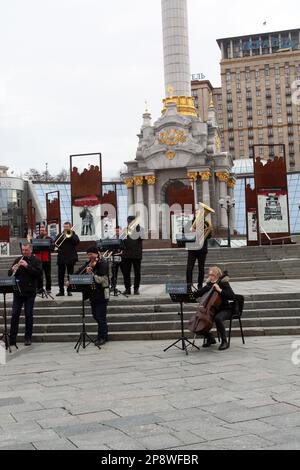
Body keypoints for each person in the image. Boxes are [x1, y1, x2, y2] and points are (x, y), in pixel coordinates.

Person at [8, 242, 42, 346]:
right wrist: (12, 269)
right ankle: (12, 338)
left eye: (26, 250)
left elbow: (39, 274)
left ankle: (28, 338)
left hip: (30, 292)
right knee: (14, 315)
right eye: (23, 250)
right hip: (18, 292)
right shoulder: (18, 259)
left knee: (28, 315)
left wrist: (27, 266)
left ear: (31, 250)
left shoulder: (36, 260)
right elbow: (9, 274)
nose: (24, 252)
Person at [195, 266, 236, 351]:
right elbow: (198, 293)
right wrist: (186, 297)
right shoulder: (209, 285)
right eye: (209, 275)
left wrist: (219, 290)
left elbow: (232, 296)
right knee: (201, 319)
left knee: (218, 318)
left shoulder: (223, 283)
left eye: (212, 275)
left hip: (226, 309)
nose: (210, 277)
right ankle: (210, 338)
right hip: (213, 310)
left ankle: (224, 341)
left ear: (217, 275)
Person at [76, 247, 110, 346]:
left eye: (91, 254)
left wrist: (91, 274)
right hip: (93, 294)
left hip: (102, 293)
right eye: (88, 254)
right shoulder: (88, 264)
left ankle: (102, 337)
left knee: (100, 316)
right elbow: (79, 271)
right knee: (95, 315)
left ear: (96, 254)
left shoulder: (103, 264)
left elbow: (102, 280)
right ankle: (104, 333)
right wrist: (71, 279)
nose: (90, 256)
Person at [186, 208, 212, 290]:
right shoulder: (190, 223)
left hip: (202, 249)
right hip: (192, 249)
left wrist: (209, 231)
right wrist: (191, 230)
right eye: (197, 213)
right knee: (189, 268)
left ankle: (200, 285)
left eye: (201, 213)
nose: (199, 214)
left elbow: (209, 236)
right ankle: (189, 285)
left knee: (201, 268)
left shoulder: (206, 223)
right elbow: (184, 232)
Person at [55, 222, 80, 297]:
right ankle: (61, 291)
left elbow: (76, 242)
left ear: (70, 227)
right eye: (64, 227)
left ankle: (69, 290)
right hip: (61, 258)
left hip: (70, 257)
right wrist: (63, 236)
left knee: (70, 275)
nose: (65, 228)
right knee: (60, 275)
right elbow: (56, 243)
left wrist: (70, 235)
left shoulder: (74, 234)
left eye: (67, 227)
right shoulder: (60, 235)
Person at [121, 216, 143, 295]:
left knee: (137, 273)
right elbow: (121, 241)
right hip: (126, 255)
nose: (129, 223)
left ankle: (136, 289)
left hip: (136, 255)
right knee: (126, 273)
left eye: (131, 221)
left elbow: (141, 238)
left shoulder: (140, 229)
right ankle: (127, 289)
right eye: (128, 222)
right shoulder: (125, 230)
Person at [34, 225, 54, 293]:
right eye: (40, 231)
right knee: (39, 274)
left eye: (43, 230)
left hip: (47, 259)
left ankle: (48, 289)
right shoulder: (36, 239)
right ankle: (39, 288)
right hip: (38, 259)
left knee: (47, 275)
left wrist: (45, 245)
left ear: (46, 231)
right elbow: (34, 249)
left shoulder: (50, 239)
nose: (42, 232)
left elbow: (52, 248)